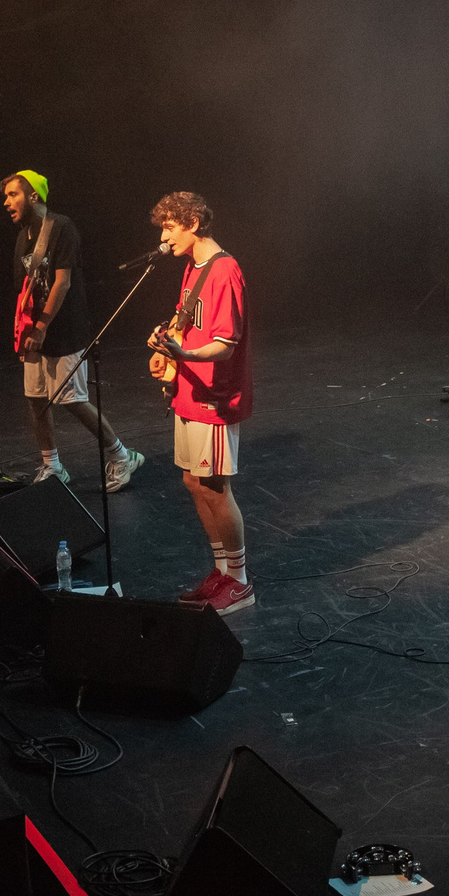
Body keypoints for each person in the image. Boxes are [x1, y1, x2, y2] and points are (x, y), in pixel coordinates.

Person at [146, 191, 253, 614]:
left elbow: (225, 345)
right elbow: (184, 319)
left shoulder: (225, 270)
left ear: (191, 222)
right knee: (193, 481)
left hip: (215, 396)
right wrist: (165, 347)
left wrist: (184, 354)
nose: (164, 237)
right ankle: (221, 570)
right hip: (189, 389)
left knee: (215, 486)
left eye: (169, 227)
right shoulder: (193, 266)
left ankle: (240, 581)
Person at [2, 171, 142, 491]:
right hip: (34, 333)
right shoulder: (23, 235)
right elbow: (24, 288)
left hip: (63, 330)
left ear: (33, 196)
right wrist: (25, 329)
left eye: (13, 195)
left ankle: (122, 456)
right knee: (36, 398)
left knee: (72, 400)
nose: (6, 202)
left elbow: (62, 282)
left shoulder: (61, 227)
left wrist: (41, 326)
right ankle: (52, 466)